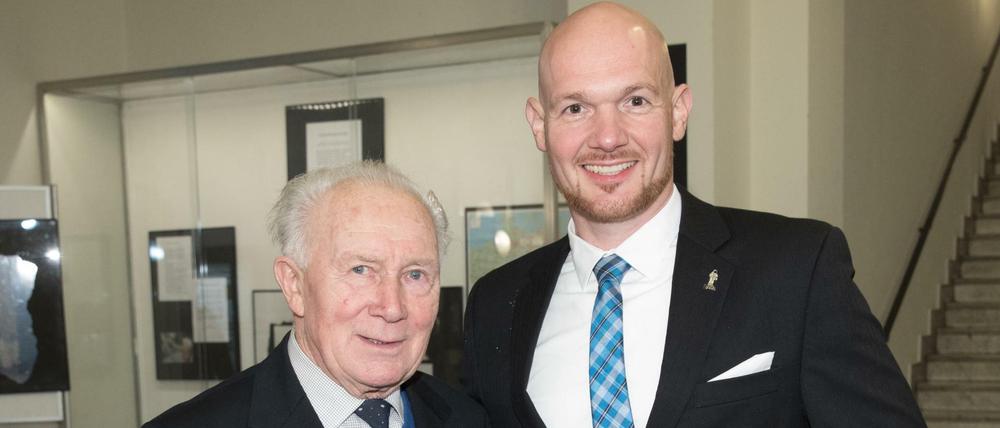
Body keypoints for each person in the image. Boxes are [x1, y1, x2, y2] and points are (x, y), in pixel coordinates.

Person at [461, 2, 926, 427]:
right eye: (576, 107)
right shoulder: (494, 307)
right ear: (540, 125)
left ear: (679, 112)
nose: (607, 137)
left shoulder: (796, 270)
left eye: (635, 101)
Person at [145, 161, 488, 427]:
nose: (392, 307)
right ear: (294, 285)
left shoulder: (469, 419)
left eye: (415, 275)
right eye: (361, 270)